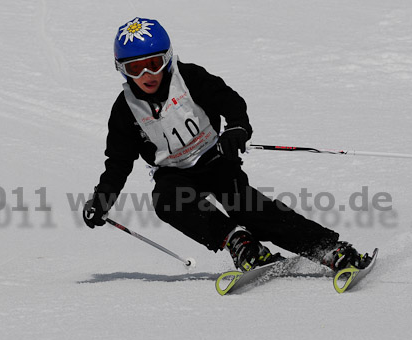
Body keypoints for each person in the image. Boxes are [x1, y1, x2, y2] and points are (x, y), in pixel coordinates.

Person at [83, 17, 370, 272]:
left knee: (247, 207)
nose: (146, 75)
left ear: (167, 59)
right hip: (174, 174)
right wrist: (102, 200)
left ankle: (328, 249)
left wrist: (237, 128)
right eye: (135, 68)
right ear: (122, 70)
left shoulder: (190, 78)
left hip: (216, 160)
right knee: (166, 201)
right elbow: (118, 162)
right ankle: (240, 242)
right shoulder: (125, 110)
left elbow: (230, 101)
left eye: (153, 64)